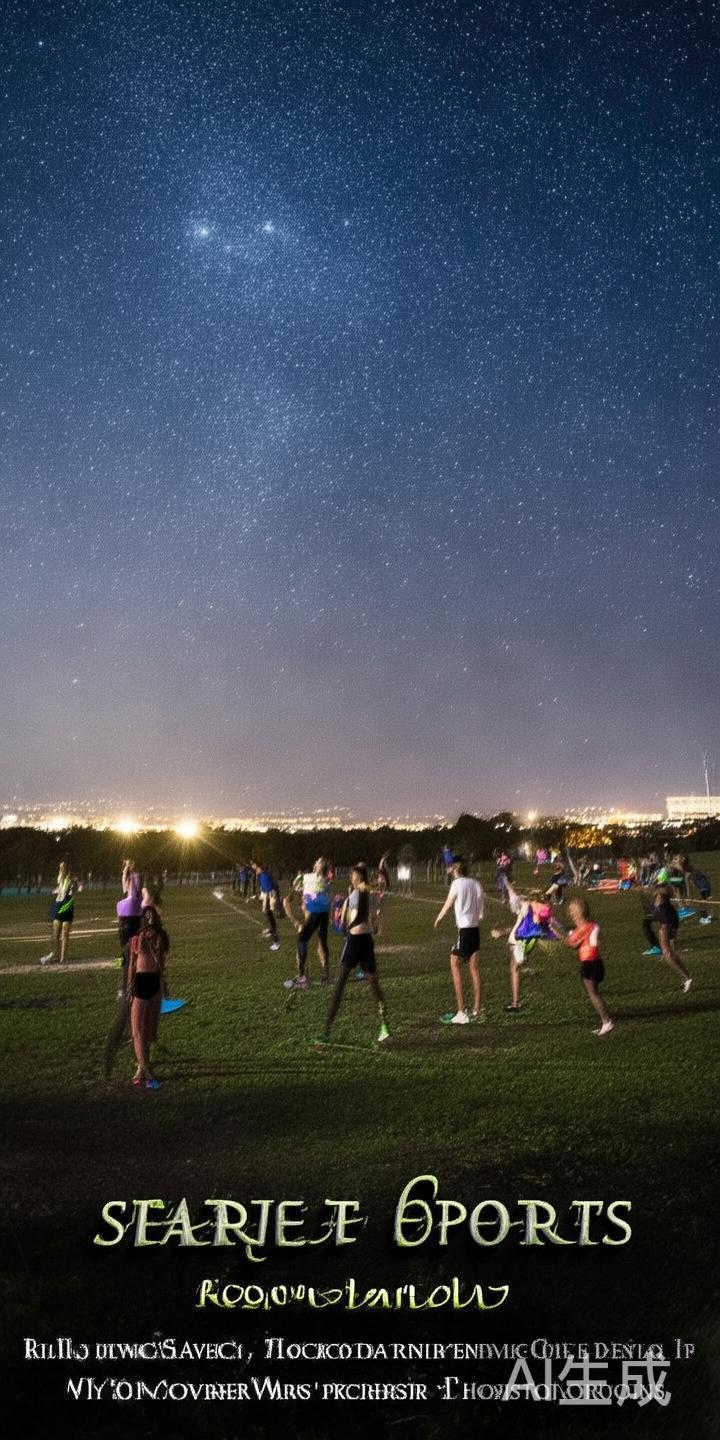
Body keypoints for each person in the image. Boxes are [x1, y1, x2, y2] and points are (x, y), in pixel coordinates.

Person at [312, 864, 389, 1046]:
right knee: (374, 985)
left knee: (339, 986)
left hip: (355, 942)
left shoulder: (358, 894)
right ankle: (384, 1026)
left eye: (353, 875)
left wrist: (344, 914)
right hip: (367, 942)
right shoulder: (367, 894)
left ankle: (326, 1031)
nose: (351, 877)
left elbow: (349, 920)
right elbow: (375, 924)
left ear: (358, 877)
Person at [433, 856, 484, 1024]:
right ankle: (476, 1009)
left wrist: (439, 918)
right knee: (474, 968)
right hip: (475, 930)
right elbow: (481, 908)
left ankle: (461, 1012)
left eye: (451, 868)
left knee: (454, 962)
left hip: (465, 930)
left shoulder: (456, 884)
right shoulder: (476, 883)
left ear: (456, 868)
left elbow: (448, 905)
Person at [125, 905, 169, 1089]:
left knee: (140, 1031)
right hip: (153, 982)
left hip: (144, 982)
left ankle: (145, 1070)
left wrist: (129, 985)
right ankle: (143, 1070)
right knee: (146, 1030)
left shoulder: (140, 939)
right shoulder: (159, 937)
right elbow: (161, 965)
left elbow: (132, 965)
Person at [500, 895, 563, 1012]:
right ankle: (515, 1001)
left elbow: (525, 926)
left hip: (522, 940)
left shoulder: (528, 907)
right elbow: (544, 924)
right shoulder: (540, 909)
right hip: (527, 940)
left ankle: (515, 1003)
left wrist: (501, 932)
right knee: (515, 966)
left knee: (515, 968)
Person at [564, 898, 614, 1036]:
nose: (571, 914)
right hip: (596, 962)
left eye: (573, 911)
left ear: (580, 912)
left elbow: (571, 944)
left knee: (593, 994)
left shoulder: (583, 928)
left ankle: (607, 1022)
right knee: (594, 992)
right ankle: (605, 1021)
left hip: (589, 963)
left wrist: (556, 931)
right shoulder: (592, 925)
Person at [284, 858, 332, 989]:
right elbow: (306, 889)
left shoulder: (312, 877)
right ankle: (326, 975)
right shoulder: (324, 880)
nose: (316, 861)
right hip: (324, 912)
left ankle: (301, 977)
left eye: (318, 862)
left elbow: (297, 884)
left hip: (316, 913)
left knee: (302, 940)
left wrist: (296, 886)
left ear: (317, 867)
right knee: (322, 942)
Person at [648, 886, 693, 990]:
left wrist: (656, 890)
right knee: (671, 954)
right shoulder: (663, 902)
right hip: (668, 924)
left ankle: (686, 978)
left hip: (666, 926)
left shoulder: (663, 899)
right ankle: (686, 978)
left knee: (668, 955)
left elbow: (667, 889)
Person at [39, 861, 79, 964]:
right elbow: (59, 888)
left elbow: (76, 890)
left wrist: (75, 886)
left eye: (63, 867)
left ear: (68, 869)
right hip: (58, 906)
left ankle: (63, 957)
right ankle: (55, 954)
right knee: (56, 934)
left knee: (65, 934)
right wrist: (56, 891)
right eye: (60, 868)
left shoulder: (72, 880)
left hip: (67, 906)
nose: (61, 869)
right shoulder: (60, 878)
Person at [254, 863, 281, 950]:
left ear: (260, 869)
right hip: (267, 894)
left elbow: (269, 887)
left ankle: (275, 938)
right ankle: (272, 928)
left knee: (268, 912)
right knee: (267, 912)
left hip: (270, 894)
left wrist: (268, 897)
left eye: (257, 868)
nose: (255, 870)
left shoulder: (264, 875)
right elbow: (263, 887)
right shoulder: (261, 875)